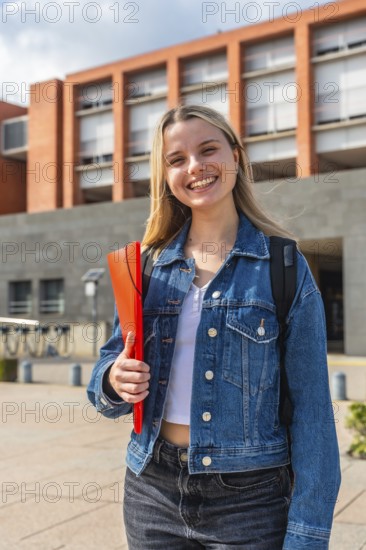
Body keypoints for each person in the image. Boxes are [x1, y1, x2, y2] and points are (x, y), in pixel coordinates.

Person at [87, 104, 341, 549]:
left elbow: (313, 413)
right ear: (165, 176)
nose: (195, 167)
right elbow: (107, 384)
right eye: (176, 159)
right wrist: (112, 379)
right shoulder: (147, 267)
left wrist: (307, 534)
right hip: (151, 490)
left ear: (236, 157)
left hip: (251, 500)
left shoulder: (283, 266)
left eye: (208, 150)